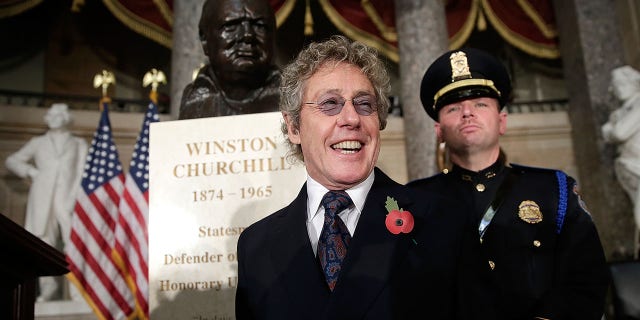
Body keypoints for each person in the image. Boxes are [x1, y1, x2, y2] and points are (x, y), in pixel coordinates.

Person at [235, 35, 475, 319]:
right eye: (330, 103)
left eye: (364, 104)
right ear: (294, 127)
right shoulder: (255, 247)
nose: (351, 118)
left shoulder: (444, 222)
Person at [408, 48, 610, 319]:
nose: (467, 112)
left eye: (481, 104)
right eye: (453, 107)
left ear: (501, 121)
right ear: (439, 130)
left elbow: (587, 279)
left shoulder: (553, 190)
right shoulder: (414, 201)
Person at [5, 103, 88, 301]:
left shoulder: (78, 143)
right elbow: (12, 160)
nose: (52, 118)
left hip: (68, 196)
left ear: (65, 118)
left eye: (56, 115)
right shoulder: (37, 142)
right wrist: (31, 171)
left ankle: (78, 289)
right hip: (42, 196)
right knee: (43, 240)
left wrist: (73, 194)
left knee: (74, 241)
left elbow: (82, 172)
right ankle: (48, 288)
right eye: (49, 115)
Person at [178, 0, 280, 119]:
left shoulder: (292, 98)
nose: (248, 35)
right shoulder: (194, 100)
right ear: (204, 38)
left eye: (259, 26)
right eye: (231, 26)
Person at [602, 65, 640, 249]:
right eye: (615, 85)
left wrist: (611, 129)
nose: (617, 88)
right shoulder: (621, 112)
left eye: (621, 83)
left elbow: (620, 132)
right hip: (629, 166)